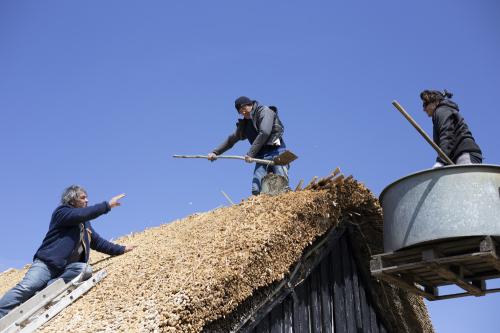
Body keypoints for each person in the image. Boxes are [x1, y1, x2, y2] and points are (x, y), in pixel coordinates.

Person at [0, 185, 136, 319]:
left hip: (66, 269)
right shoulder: (62, 213)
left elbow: (98, 242)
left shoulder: (85, 223)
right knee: (27, 287)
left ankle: (45, 289)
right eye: (83, 198)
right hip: (47, 264)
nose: (87, 200)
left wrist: (122, 249)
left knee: (84, 269)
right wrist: (107, 205)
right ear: (72, 200)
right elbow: (82, 213)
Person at [207, 96, 289, 195]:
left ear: (250, 105)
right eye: (240, 111)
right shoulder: (245, 125)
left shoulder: (264, 111)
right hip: (261, 156)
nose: (243, 112)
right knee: (256, 189)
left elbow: (265, 132)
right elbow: (231, 140)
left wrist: (250, 154)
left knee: (281, 183)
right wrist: (215, 152)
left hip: (277, 151)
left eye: (244, 108)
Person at [420, 89, 483, 167]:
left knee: (464, 178)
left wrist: (441, 161)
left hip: (464, 153)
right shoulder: (443, 111)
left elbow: (447, 134)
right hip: (458, 156)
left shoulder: (441, 111)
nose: (424, 109)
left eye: (425, 104)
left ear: (435, 102)